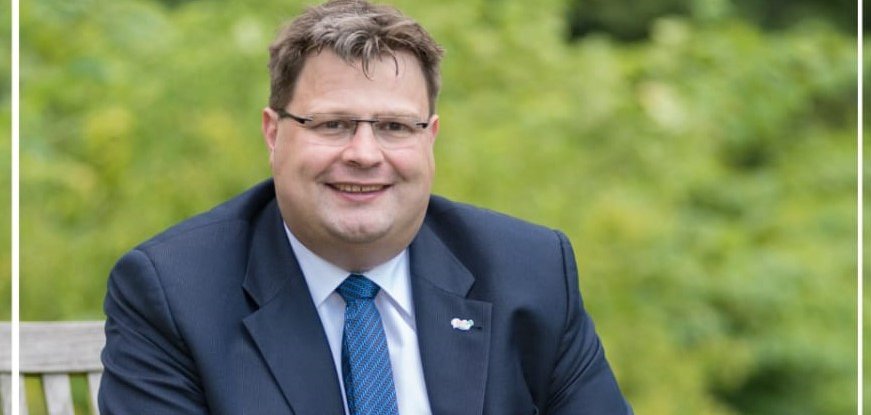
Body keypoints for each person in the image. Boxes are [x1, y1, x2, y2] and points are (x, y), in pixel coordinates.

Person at [98, 0, 633, 413]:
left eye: (394, 127)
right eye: (333, 124)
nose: (364, 154)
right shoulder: (173, 292)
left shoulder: (530, 271)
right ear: (273, 133)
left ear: (430, 138)